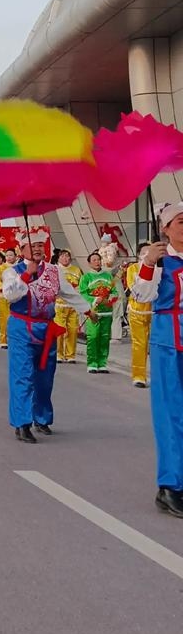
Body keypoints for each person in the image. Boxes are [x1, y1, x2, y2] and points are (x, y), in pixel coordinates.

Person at [2, 242, 88, 442]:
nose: (37, 249)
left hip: (46, 328)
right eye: (32, 246)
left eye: (41, 245)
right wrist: (26, 275)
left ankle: (41, 417)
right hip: (22, 327)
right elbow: (10, 296)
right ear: (21, 250)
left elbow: (68, 292)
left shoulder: (53, 271)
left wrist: (87, 309)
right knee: (23, 375)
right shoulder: (11, 271)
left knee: (45, 376)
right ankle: (22, 423)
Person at [129, 204, 183, 516]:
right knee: (171, 412)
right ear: (165, 228)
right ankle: (170, 485)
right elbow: (141, 295)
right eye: (179, 221)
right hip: (168, 340)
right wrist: (148, 262)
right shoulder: (159, 261)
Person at [80, 249, 119, 373]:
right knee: (93, 337)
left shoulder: (108, 276)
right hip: (93, 312)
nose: (97, 262)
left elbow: (114, 292)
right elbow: (83, 293)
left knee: (104, 337)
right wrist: (95, 299)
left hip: (106, 312)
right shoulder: (86, 277)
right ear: (89, 263)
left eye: (98, 260)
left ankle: (102, 363)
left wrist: (111, 299)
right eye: (94, 260)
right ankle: (92, 363)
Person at [124, 244, 152, 388]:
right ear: (139, 255)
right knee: (139, 344)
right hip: (136, 311)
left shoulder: (159, 268)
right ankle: (139, 376)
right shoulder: (132, 269)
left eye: (150, 252)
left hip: (155, 311)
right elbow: (133, 288)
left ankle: (159, 376)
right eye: (144, 252)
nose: (147, 254)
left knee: (156, 345)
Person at [52, 247, 82, 363]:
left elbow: (81, 286)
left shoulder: (76, 270)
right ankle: (58, 354)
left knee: (72, 330)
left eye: (67, 256)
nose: (65, 258)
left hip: (72, 305)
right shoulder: (54, 269)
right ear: (58, 258)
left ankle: (70, 355)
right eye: (62, 256)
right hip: (59, 305)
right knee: (60, 330)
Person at [0, 248, 17, 348]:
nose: (9, 257)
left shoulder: (19, 267)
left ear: (15, 256)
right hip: (3, 296)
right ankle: (3, 340)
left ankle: (14, 340)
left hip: (16, 296)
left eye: (11, 255)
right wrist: (3, 287)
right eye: (7, 255)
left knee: (15, 318)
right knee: (3, 318)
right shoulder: (2, 267)